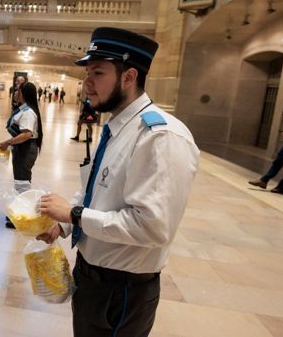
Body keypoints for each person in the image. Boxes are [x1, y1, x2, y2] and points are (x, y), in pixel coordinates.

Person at [37, 27, 199, 337]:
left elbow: (153, 227)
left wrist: (74, 215)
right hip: (91, 278)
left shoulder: (160, 137)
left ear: (128, 77)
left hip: (122, 288)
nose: (87, 83)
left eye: (98, 72)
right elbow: (95, 191)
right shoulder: (118, 126)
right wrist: (66, 225)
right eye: (87, 72)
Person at [0, 82, 43, 228]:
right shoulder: (24, 109)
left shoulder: (28, 113)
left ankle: (23, 216)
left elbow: (26, 134)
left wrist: (8, 142)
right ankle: (20, 213)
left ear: (24, 94)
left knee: (22, 183)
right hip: (22, 149)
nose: (16, 93)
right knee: (21, 182)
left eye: (18, 91)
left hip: (25, 148)